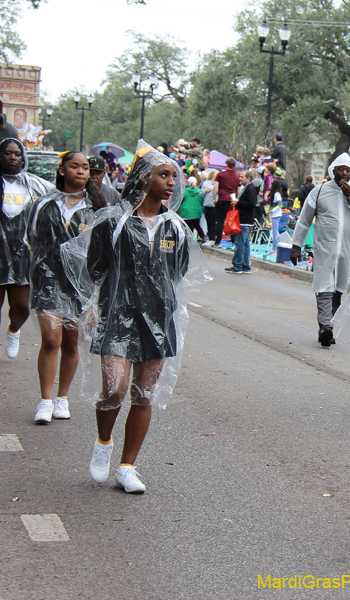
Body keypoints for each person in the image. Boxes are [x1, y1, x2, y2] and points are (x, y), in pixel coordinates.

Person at [77, 148, 206, 493]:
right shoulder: (111, 221)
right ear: (144, 177)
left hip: (159, 320)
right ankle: (104, 441)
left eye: (173, 176)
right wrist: (100, 305)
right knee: (114, 389)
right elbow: (94, 269)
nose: (171, 183)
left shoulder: (175, 227)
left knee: (144, 394)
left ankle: (127, 466)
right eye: (164, 175)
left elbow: (177, 274)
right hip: (116, 316)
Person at [26, 151, 106, 423]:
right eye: (75, 166)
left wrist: (97, 293)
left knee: (71, 343)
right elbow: (32, 239)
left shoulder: (96, 208)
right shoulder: (43, 204)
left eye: (85, 168)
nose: (82, 172)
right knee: (51, 340)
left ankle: (63, 397)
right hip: (47, 281)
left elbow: (103, 250)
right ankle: (45, 400)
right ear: (62, 170)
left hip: (80, 286)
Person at [0, 138, 53, 369]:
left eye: (17, 154)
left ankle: (13, 329)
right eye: (7, 153)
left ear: (23, 157)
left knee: (21, 308)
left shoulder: (37, 186)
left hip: (23, 256)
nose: (13, 157)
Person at [290, 154, 350, 346]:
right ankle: (325, 326)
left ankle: (330, 326)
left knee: (338, 289)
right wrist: (296, 246)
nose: (343, 173)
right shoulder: (319, 192)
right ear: (332, 171)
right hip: (324, 249)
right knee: (324, 287)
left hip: (346, 251)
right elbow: (303, 221)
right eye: (339, 169)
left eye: (347, 170)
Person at [224, 171, 257, 274]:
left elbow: (252, 203)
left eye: (242, 177)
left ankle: (237, 265)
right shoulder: (248, 188)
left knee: (240, 243)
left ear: (248, 178)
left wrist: (239, 202)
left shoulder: (250, 189)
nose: (240, 179)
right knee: (245, 244)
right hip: (246, 220)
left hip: (244, 220)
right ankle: (245, 266)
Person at [211, 158, 240, 246]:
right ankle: (234, 240)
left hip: (222, 198)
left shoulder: (220, 175)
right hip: (232, 199)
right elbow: (238, 189)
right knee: (233, 218)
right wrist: (236, 199)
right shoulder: (236, 176)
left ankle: (218, 240)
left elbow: (215, 187)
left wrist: (214, 198)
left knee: (220, 220)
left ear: (226, 164)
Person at [179, 176, 205, 240]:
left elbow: (180, 200)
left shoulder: (184, 191)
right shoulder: (199, 191)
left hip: (186, 211)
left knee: (187, 226)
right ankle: (203, 237)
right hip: (196, 211)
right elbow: (202, 201)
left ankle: (188, 239)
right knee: (197, 225)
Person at [200, 169, 217, 242]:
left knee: (214, 222)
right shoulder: (205, 183)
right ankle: (210, 238)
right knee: (208, 222)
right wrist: (205, 191)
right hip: (207, 204)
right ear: (212, 174)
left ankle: (213, 238)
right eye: (216, 174)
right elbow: (200, 194)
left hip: (214, 205)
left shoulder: (218, 184)